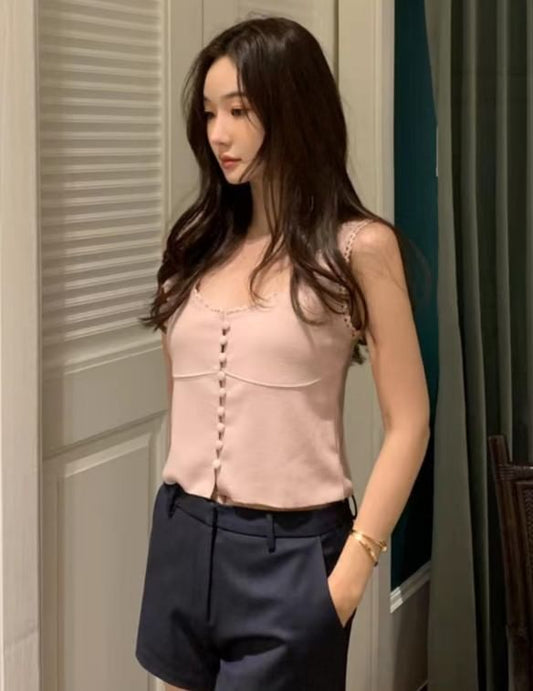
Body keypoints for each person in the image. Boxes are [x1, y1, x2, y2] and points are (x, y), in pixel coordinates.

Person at [135, 14, 430, 691]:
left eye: (239, 110)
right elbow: (185, 402)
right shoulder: (193, 251)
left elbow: (409, 421)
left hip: (292, 557)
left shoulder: (358, 249)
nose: (218, 133)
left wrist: (352, 569)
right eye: (209, 113)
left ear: (295, 108)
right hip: (181, 538)